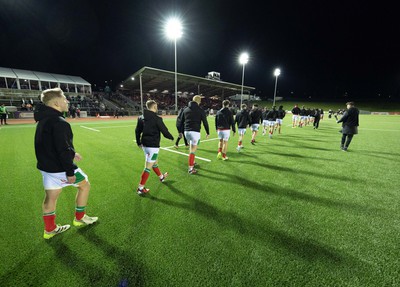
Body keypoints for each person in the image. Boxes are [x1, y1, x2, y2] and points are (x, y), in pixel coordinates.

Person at [34, 88, 98, 240]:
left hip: (46, 168)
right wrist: (70, 172)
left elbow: (48, 144)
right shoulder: (59, 122)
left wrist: (72, 152)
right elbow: (62, 149)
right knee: (85, 185)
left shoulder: (43, 119)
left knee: (51, 197)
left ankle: (49, 229)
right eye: (64, 99)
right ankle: (79, 218)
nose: (67, 101)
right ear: (56, 103)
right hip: (60, 168)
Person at [135, 100, 174, 195]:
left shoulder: (141, 118)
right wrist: (171, 137)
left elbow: (137, 131)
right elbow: (165, 131)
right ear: (154, 107)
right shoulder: (157, 119)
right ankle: (140, 188)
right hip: (153, 146)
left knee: (154, 162)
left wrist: (139, 142)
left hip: (145, 145)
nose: (157, 108)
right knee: (148, 167)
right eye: (156, 106)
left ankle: (161, 177)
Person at [178, 95, 210, 174]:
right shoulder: (200, 110)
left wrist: (180, 132)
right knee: (193, 150)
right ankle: (190, 168)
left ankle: (193, 162)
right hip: (195, 132)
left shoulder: (185, 109)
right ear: (199, 102)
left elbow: (180, 121)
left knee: (191, 147)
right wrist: (207, 132)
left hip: (186, 132)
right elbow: (205, 122)